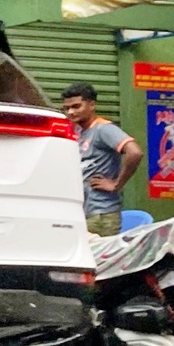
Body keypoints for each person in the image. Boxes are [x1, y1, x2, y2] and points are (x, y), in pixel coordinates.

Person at [61, 82, 142, 236]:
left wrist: (116, 184)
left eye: (76, 106)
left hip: (102, 215)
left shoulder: (103, 129)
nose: (70, 112)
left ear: (91, 105)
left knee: (98, 259)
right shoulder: (78, 131)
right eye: (66, 108)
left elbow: (135, 152)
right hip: (85, 212)